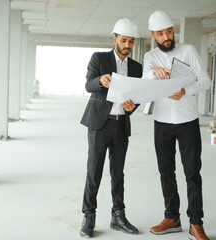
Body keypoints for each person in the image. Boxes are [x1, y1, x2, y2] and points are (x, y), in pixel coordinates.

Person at [142, 11, 211, 240]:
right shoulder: (150, 57)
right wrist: (154, 73)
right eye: (161, 34)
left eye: (169, 31)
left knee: (192, 173)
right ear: (153, 35)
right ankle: (172, 217)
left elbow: (205, 80)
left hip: (187, 120)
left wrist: (185, 91)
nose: (166, 37)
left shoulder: (188, 51)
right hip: (162, 122)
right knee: (166, 171)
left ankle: (196, 223)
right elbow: (144, 84)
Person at [79, 18, 142, 238]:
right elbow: (88, 84)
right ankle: (88, 216)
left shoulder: (136, 67)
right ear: (114, 38)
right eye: (124, 40)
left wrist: (133, 106)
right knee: (94, 172)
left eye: (131, 42)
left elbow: (138, 97)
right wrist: (100, 80)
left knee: (118, 173)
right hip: (99, 123)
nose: (127, 45)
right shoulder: (100, 58)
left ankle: (118, 216)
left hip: (121, 125)